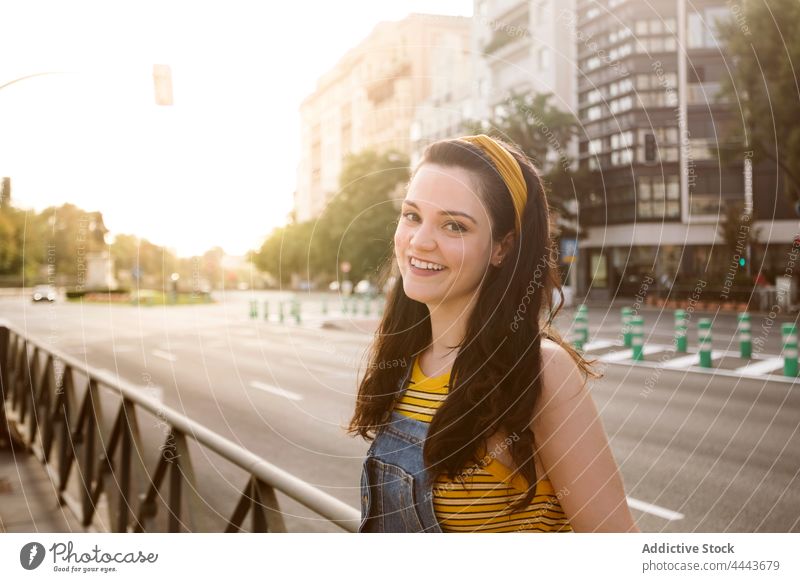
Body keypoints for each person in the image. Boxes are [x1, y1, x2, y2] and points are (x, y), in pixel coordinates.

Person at [347, 135, 639, 533]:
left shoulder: (539, 371)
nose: (419, 241)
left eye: (454, 225)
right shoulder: (406, 362)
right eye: (412, 216)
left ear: (502, 247)